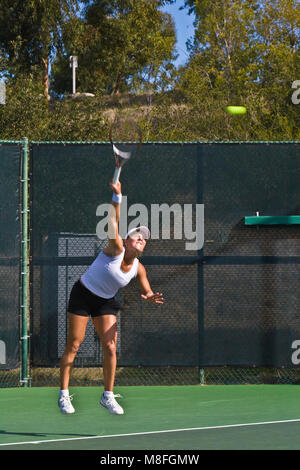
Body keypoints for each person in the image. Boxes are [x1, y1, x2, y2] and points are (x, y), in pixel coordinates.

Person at [58, 179, 164, 415]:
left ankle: (107, 395)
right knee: (74, 344)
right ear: (126, 241)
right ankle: (64, 394)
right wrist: (117, 196)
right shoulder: (115, 248)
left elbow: (146, 289)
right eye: (137, 236)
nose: (141, 239)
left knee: (111, 346)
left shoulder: (139, 267)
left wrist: (148, 296)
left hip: (105, 301)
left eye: (144, 238)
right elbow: (113, 221)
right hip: (83, 294)